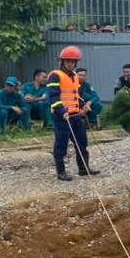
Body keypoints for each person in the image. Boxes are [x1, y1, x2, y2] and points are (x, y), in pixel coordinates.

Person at [48, 46, 98, 181]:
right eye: (67, 61)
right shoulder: (55, 76)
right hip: (62, 117)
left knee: (82, 142)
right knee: (61, 144)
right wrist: (61, 111)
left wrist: (83, 105)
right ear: (62, 62)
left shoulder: (75, 76)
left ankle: (84, 168)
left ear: (76, 63)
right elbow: (53, 97)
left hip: (75, 116)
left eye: (72, 61)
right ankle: (61, 172)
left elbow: (76, 95)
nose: (70, 64)